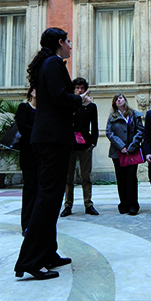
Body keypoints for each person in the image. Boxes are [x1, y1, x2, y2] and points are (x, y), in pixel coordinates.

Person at [14, 27, 91, 281]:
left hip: (48, 138)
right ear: (60, 42)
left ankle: (48, 253)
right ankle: (31, 261)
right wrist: (80, 100)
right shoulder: (54, 63)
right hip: (52, 139)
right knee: (48, 198)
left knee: (52, 197)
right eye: (69, 40)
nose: (71, 44)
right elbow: (60, 97)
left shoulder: (46, 64)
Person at [61, 77, 99, 217]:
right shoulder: (69, 105)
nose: (79, 90)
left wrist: (93, 143)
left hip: (85, 145)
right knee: (68, 179)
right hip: (69, 146)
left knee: (86, 177)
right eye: (77, 88)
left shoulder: (91, 106)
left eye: (82, 88)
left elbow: (94, 126)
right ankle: (67, 205)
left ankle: (88, 204)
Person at [106, 93, 144, 215]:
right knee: (121, 178)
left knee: (131, 178)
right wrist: (121, 146)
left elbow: (140, 130)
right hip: (118, 153)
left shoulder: (134, 115)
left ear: (125, 100)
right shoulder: (112, 117)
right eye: (116, 99)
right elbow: (109, 133)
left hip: (132, 152)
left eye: (121, 98)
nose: (119, 100)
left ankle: (133, 205)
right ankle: (124, 203)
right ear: (114, 103)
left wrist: (132, 146)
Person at [15, 86, 37, 235]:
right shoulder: (23, 108)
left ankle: (38, 222)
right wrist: (41, 130)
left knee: (41, 190)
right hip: (29, 155)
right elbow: (23, 127)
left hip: (43, 155)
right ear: (31, 92)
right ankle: (27, 224)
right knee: (30, 189)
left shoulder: (45, 111)